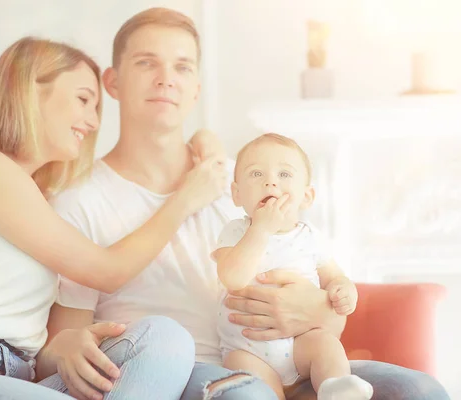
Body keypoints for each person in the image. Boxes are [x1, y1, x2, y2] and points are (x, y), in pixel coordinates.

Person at [41, 6, 450, 400]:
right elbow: (62, 342)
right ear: (112, 82)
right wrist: (64, 350)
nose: (167, 79)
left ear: (196, 88)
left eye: (182, 66)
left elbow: (326, 295)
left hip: (295, 358)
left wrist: (321, 311)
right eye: (147, 63)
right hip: (187, 374)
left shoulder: (246, 179)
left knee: (420, 390)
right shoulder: (81, 201)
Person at [0, 36, 227, 400]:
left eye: (97, 108)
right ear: (31, 91)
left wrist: (66, 348)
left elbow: (34, 347)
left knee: (164, 339)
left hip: (16, 377)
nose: (92, 122)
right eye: (84, 99)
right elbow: (107, 271)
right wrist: (186, 199)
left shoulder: (41, 201)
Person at [213, 133, 373, 400]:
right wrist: (261, 229)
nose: (270, 181)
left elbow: (334, 276)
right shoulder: (235, 232)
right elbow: (232, 277)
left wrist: (344, 289)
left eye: (284, 174)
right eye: (256, 174)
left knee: (327, 346)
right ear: (237, 194)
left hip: (302, 345)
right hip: (248, 349)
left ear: (307, 196)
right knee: (246, 378)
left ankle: (335, 387)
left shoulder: (311, 237)